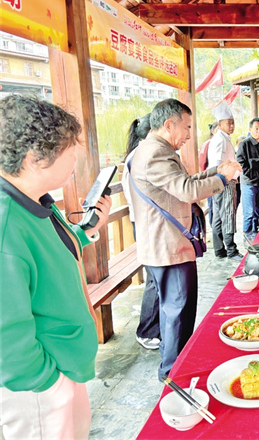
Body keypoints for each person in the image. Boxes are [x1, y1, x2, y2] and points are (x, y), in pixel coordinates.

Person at [0, 95, 112, 439]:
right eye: (69, 148)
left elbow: (52, 251)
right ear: (35, 159)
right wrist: (48, 383)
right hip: (37, 384)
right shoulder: (6, 222)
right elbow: (6, 335)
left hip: (62, 363)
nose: (76, 155)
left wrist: (86, 231)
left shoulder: (35, 200)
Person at [129, 98, 240, 378]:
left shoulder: (158, 150)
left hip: (167, 245)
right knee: (177, 312)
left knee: (174, 310)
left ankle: (175, 365)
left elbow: (185, 181)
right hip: (167, 246)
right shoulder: (156, 154)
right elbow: (188, 191)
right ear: (169, 125)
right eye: (187, 127)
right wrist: (223, 180)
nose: (190, 134)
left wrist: (216, 172)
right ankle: (173, 372)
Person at [122, 114, 161, 350]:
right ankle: (146, 330)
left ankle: (156, 327)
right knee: (154, 278)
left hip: (145, 222)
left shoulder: (138, 154)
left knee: (157, 277)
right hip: (145, 223)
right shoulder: (140, 157)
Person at [208, 103, 243, 261]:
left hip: (219, 181)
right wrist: (227, 177)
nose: (232, 125)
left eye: (233, 122)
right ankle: (231, 250)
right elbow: (218, 164)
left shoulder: (222, 138)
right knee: (228, 215)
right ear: (220, 124)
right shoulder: (220, 140)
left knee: (218, 216)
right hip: (224, 181)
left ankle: (219, 249)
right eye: (229, 123)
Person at [237, 118, 259, 238]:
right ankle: (246, 236)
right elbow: (241, 163)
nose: (258, 131)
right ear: (250, 129)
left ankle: (255, 234)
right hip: (249, 183)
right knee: (249, 212)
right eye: (256, 128)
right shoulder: (244, 144)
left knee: (258, 211)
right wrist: (253, 174)